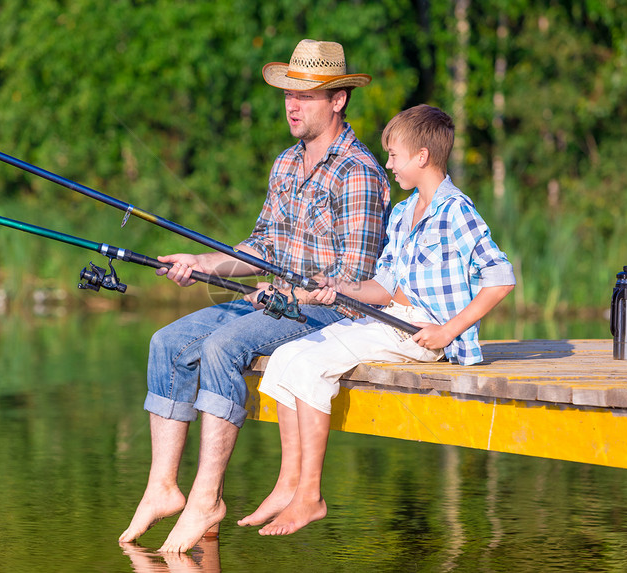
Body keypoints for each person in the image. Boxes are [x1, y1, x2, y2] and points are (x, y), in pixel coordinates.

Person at [118, 39, 391, 552]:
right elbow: (261, 245)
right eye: (289, 92)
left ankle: (208, 497)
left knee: (223, 348)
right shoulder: (286, 164)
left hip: (325, 317)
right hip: (272, 302)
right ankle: (163, 487)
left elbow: (354, 281)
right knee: (166, 343)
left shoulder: (358, 173)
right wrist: (202, 263)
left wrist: (287, 291)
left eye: (306, 95)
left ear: (338, 100)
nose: (292, 103)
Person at [242, 104, 516, 536]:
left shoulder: (455, 210)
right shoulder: (406, 213)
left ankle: (309, 496)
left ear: (422, 157)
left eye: (394, 155)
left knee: (312, 364)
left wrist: (448, 331)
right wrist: (340, 288)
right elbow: (383, 286)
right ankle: (287, 484)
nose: (387, 165)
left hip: (422, 332)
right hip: (390, 318)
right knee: (288, 355)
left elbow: (500, 278)